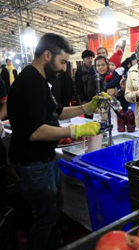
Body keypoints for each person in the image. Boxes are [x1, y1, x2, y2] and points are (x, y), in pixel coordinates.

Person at [7, 33, 109, 250]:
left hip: (44, 159)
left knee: (53, 213)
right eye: (62, 62)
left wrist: (87, 107)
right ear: (47, 55)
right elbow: (35, 132)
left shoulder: (40, 81)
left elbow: (57, 111)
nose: (64, 68)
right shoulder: (30, 82)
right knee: (45, 219)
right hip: (32, 162)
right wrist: (74, 130)